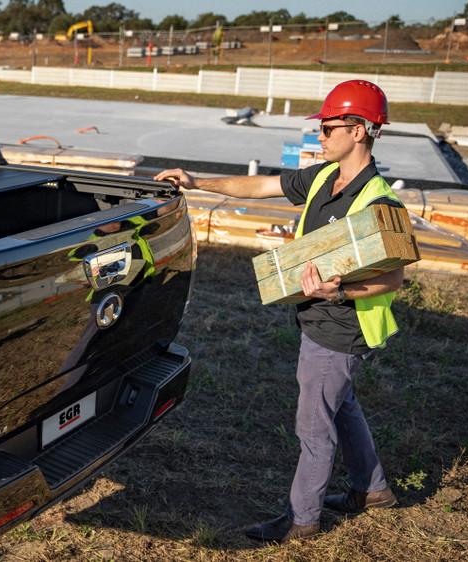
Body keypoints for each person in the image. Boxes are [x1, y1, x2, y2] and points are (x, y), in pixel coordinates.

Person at [155, 80, 402, 543]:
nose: (321, 136)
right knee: (341, 405)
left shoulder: (379, 201)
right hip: (317, 320)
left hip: (340, 327)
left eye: (328, 128)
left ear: (359, 130)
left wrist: (339, 293)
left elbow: (393, 278)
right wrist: (197, 181)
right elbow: (263, 185)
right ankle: (373, 490)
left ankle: (301, 521)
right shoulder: (326, 175)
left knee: (313, 426)